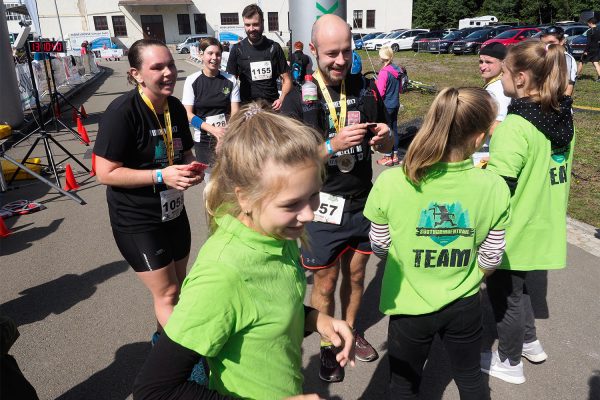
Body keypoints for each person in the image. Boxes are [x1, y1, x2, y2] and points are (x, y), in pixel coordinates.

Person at [132, 102, 355, 400]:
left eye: (314, 195)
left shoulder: (277, 233)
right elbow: (154, 391)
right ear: (245, 198)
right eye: (291, 204)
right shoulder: (223, 274)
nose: (309, 215)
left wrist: (318, 320)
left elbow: (265, 307)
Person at [364, 87, 511, 400]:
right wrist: (468, 275)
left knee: (403, 386)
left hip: (408, 302)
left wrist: (407, 256)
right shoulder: (494, 186)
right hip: (464, 301)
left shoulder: (393, 181)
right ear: (478, 138)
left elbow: (378, 242)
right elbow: (492, 254)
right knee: (470, 379)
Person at [281, 14, 392, 383]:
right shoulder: (299, 97)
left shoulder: (366, 88)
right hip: (322, 206)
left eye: (346, 51)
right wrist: (330, 146)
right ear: (313, 51)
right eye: (331, 53)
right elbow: (288, 161)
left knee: (357, 278)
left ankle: (350, 329)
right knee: (325, 284)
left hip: (362, 202)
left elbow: (385, 140)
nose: (340, 60)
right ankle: (329, 345)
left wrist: (386, 137)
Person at [94, 39, 205, 339]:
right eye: (157, 67)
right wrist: (161, 176)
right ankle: (178, 364)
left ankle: (163, 353)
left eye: (170, 64)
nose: (168, 72)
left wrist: (192, 170)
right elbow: (104, 173)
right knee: (167, 293)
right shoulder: (121, 113)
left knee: (177, 289)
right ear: (137, 74)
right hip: (136, 219)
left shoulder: (176, 109)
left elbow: (186, 154)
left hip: (173, 213)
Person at [481, 40, 574, 385]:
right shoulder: (563, 118)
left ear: (519, 78)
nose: (501, 77)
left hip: (513, 227)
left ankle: (508, 361)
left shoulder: (515, 128)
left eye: (503, 71)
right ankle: (530, 342)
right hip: (544, 221)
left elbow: (497, 190)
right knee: (520, 291)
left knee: (506, 295)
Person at [182, 37, 240, 180]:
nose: (214, 58)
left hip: (227, 137)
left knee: (230, 182)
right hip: (203, 140)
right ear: (201, 54)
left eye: (218, 54)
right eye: (210, 53)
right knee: (211, 184)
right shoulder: (192, 80)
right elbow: (187, 114)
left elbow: (235, 113)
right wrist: (212, 129)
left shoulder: (230, 80)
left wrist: (225, 133)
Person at [226, 4, 291, 109]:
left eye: (255, 24)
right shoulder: (237, 49)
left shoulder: (274, 47)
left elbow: (287, 79)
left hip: (272, 107)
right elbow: (230, 82)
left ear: (263, 23)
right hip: (247, 108)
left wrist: (282, 98)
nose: (251, 29)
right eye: (247, 25)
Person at [375, 46, 402, 166]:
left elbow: (380, 93)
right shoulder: (398, 69)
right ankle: (395, 156)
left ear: (382, 57)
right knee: (394, 129)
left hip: (386, 106)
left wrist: (376, 83)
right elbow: (400, 89)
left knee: (387, 131)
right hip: (396, 103)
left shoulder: (384, 72)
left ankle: (387, 157)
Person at [540, 26, 578, 95]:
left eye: (551, 42)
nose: (547, 46)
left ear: (562, 41)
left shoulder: (567, 59)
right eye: (544, 43)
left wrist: (564, 103)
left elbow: (569, 85)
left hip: (557, 100)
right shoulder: (539, 56)